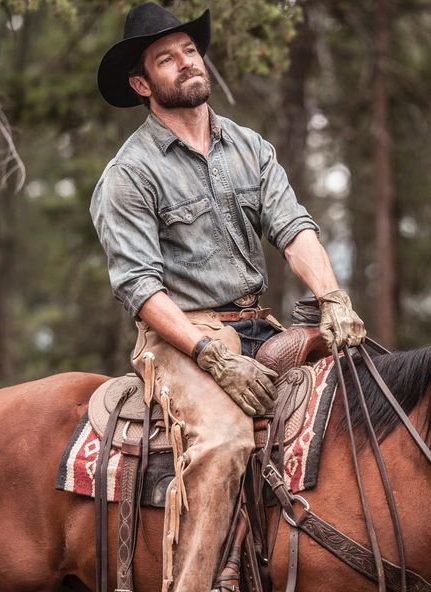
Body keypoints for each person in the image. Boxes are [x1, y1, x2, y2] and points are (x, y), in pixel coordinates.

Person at [90, 3, 366, 591]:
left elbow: (293, 228)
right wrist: (210, 355)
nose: (185, 62)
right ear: (142, 85)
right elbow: (140, 289)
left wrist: (333, 297)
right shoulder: (130, 174)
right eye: (166, 59)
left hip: (259, 325)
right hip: (180, 335)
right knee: (224, 439)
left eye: (189, 50)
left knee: (367, 390)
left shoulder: (249, 147)